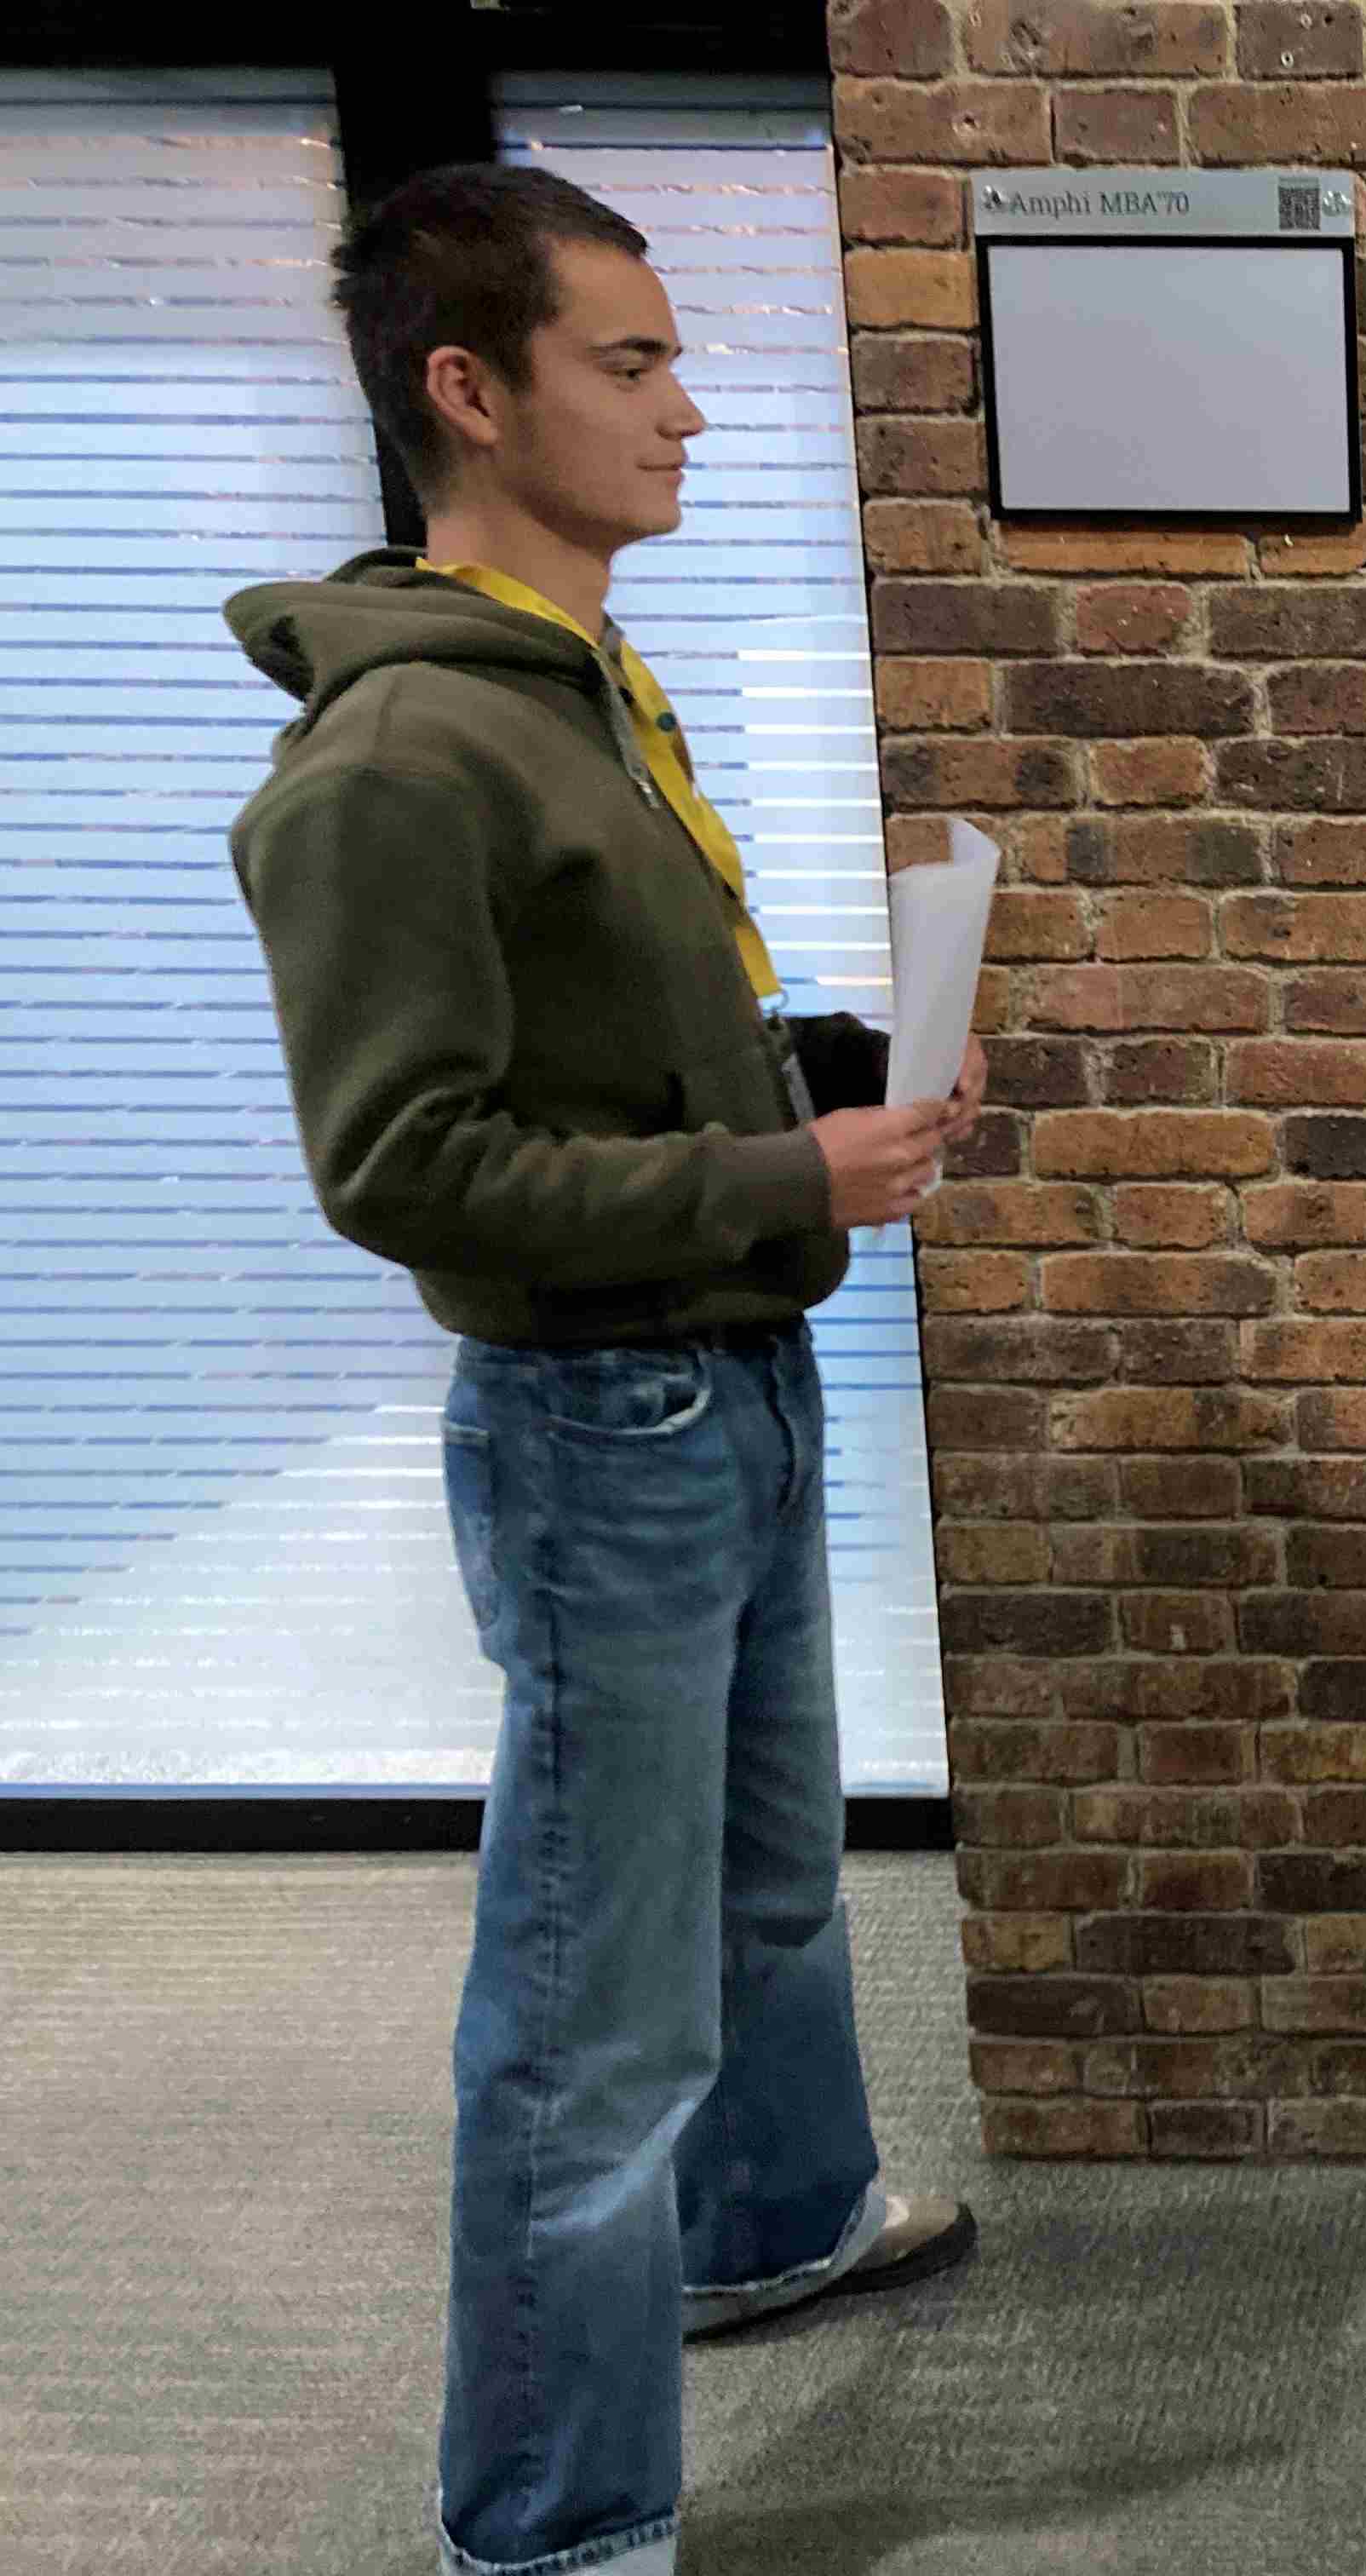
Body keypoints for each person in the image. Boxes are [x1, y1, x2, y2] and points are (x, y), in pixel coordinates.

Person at [222, 163, 986, 2576]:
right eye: (630, 363)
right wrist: (780, 1175)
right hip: (601, 1426)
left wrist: (821, 1090)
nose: (686, 411)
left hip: (727, 1381)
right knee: (588, 2008)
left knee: (769, 1888)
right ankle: (550, 2529)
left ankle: (772, 2224)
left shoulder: (583, 691)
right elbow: (408, 1168)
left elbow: (609, 1046)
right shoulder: (395, 761)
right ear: (470, 389)